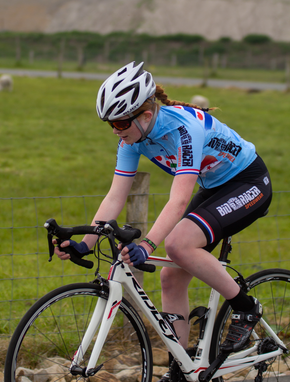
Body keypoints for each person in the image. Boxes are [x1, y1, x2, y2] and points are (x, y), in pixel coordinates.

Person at [55, 62, 272, 379]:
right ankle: (180, 369)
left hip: (249, 183)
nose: (116, 130)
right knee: (170, 277)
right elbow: (116, 196)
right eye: (110, 124)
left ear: (145, 115)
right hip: (214, 188)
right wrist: (85, 245)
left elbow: (179, 199)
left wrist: (146, 244)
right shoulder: (132, 138)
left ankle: (246, 307)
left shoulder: (182, 129)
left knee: (178, 244)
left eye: (119, 122)